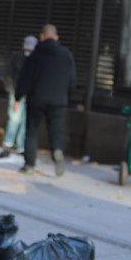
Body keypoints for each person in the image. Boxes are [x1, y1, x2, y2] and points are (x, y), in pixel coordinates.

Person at [15, 23, 76, 177]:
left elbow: (25, 78)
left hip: (36, 99)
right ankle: (57, 150)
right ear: (56, 37)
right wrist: (67, 95)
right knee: (56, 130)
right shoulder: (66, 55)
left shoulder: (35, 55)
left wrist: (18, 96)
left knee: (32, 131)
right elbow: (72, 80)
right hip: (58, 100)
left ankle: (29, 165)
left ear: (41, 37)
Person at [2, 35, 37, 154]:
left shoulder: (35, 59)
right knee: (14, 118)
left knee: (24, 121)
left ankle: (21, 145)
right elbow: (8, 75)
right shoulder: (16, 57)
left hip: (29, 94)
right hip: (16, 92)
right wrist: (12, 91)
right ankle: (8, 142)